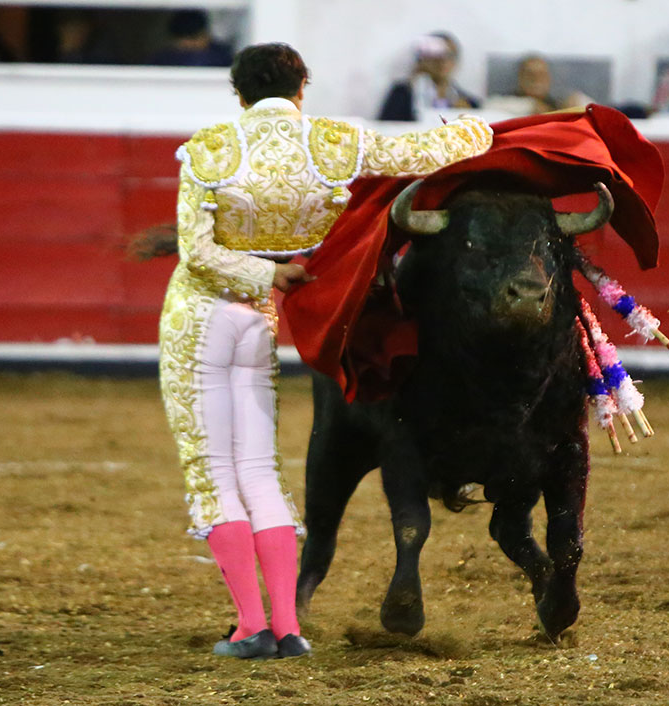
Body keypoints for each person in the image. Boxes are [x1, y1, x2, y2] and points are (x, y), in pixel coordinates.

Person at [158, 42, 492, 660]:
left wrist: (265, 279)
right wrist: (483, 127)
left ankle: (250, 627)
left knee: (214, 473)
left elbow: (196, 255)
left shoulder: (208, 148)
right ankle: (287, 629)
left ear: (238, 93)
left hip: (202, 317)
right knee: (259, 470)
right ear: (303, 87)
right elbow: (432, 149)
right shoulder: (337, 143)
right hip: (259, 322)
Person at [378, 32, 481, 121]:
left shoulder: (469, 103)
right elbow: (386, 128)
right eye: (437, 54)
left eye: (449, 55)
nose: (442, 61)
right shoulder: (402, 94)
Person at [148, 9, 232, 67]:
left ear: (205, 35)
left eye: (194, 38)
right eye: (184, 40)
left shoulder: (221, 57)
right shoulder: (163, 59)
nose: (190, 45)